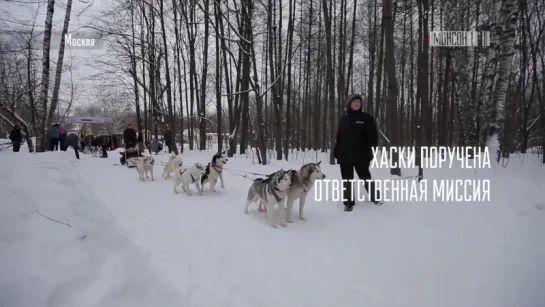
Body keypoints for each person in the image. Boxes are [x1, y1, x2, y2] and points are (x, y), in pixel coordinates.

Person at [333, 94, 382, 211]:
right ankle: (348, 202)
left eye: (358, 102)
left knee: (365, 177)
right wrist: (336, 151)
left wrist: (371, 149)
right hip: (345, 155)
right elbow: (339, 137)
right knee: (347, 179)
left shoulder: (366, 118)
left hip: (362, 155)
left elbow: (373, 136)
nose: (356, 103)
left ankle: (375, 197)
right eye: (354, 101)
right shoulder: (343, 119)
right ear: (349, 104)